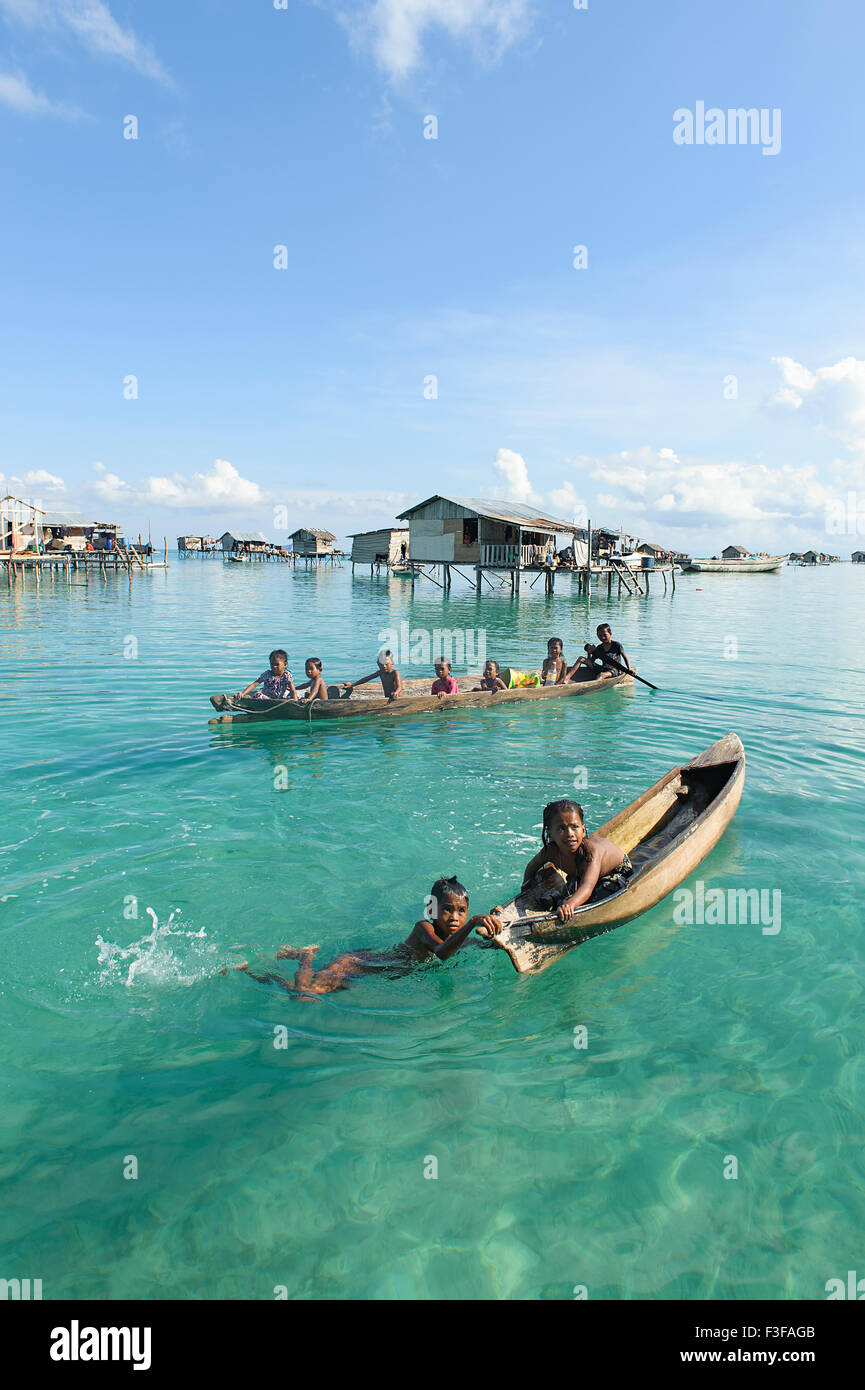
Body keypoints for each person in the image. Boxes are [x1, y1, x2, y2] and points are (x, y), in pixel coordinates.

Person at [232, 877, 503, 997]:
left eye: (462, 912)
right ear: (432, 910)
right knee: (304, 994)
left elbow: (485, 945)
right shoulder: (425, 928)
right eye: (447, 910)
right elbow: (442, 953)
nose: (455, 918)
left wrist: (495, 921)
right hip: (355, 963)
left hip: (372, 973)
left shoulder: (462, 939)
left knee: (303, 994)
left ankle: (251, 971)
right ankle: (305, 957)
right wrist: (474, 923)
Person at [517, 800, 633, 922]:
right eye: (562, 828)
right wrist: (526, 889)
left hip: (616, 871)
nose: (570, 834)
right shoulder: (550, 851)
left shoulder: (591, 853)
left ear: (583, 830)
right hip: (581, 875)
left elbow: (587, 886)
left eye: (575, 827)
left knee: (597, 895)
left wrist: (570, 905)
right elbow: (531, 867)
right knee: (554, 890)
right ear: (550, 834)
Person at [569, 623, 634, 681]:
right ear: (597, 635)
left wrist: (629, 668)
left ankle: (593, 687)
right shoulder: (599, 648)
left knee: (601, 675)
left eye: (605, 635)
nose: (602, 637)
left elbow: (625, 657)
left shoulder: (616, 645)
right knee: (581, 659)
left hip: (615, 670)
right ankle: (566, 679)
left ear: (610, 634)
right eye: (600, 635)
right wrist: (589, 653)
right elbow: (591, 662)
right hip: (604, 669)